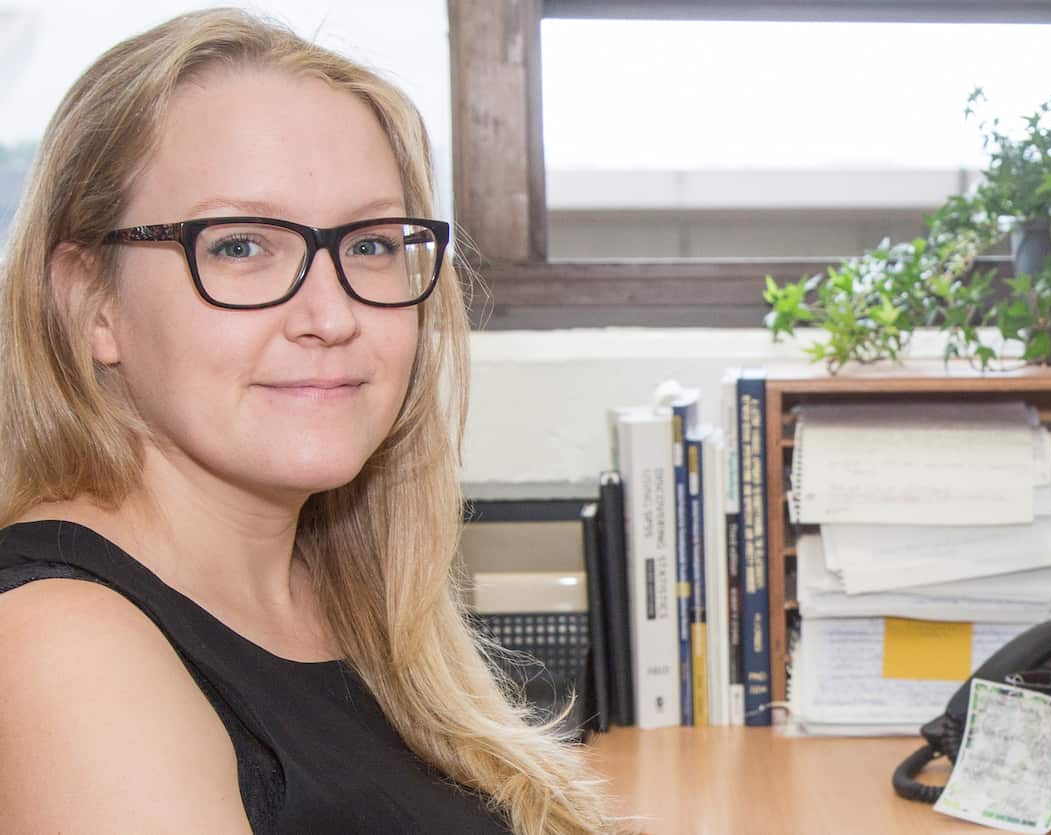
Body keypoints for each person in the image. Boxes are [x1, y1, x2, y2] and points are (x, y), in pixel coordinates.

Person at [0, 9, 615, 834]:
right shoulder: (64, 648)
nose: (330, 315)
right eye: (240, 246)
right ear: (91, 302)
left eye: (369, 245)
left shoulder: (352, 596)